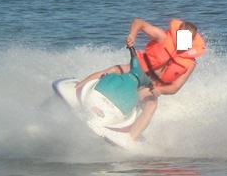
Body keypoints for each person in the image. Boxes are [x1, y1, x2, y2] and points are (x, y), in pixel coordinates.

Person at [75, 18, 206, 140]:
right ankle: (77, 88)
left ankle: (130, 137)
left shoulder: (189, 63)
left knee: (151, 105)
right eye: (181, 37)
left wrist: (160, 90)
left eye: (186, 39)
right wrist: (132, 35)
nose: (182, 42)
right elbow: (139, 22)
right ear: (177, 34)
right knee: (114, 70)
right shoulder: (162, 37)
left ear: (191, 40)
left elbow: (175, 87)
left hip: (151, 86)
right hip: (137, 69)